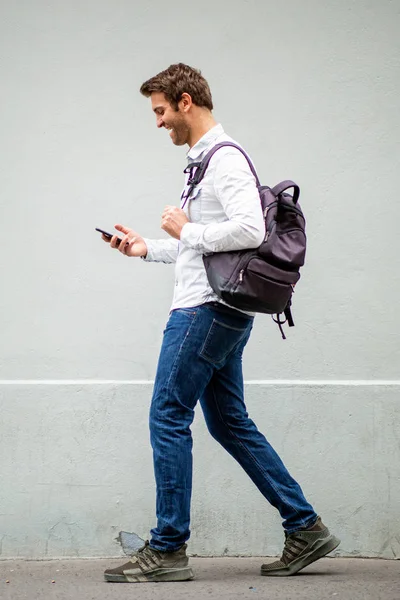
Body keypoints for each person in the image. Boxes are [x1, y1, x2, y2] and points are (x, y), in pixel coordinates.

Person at [103, 63, 340, 583]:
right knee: (229, 423)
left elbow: (249, 231)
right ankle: (305, 526)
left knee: (168, 415)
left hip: (203, 313)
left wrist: (187, 230)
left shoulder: (224, 159)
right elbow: (206, 246)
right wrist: (146, 249)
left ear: (186, 101)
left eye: (161, 111)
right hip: (219, 309)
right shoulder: (205, 162)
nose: (158, 122)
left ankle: (167, 549)